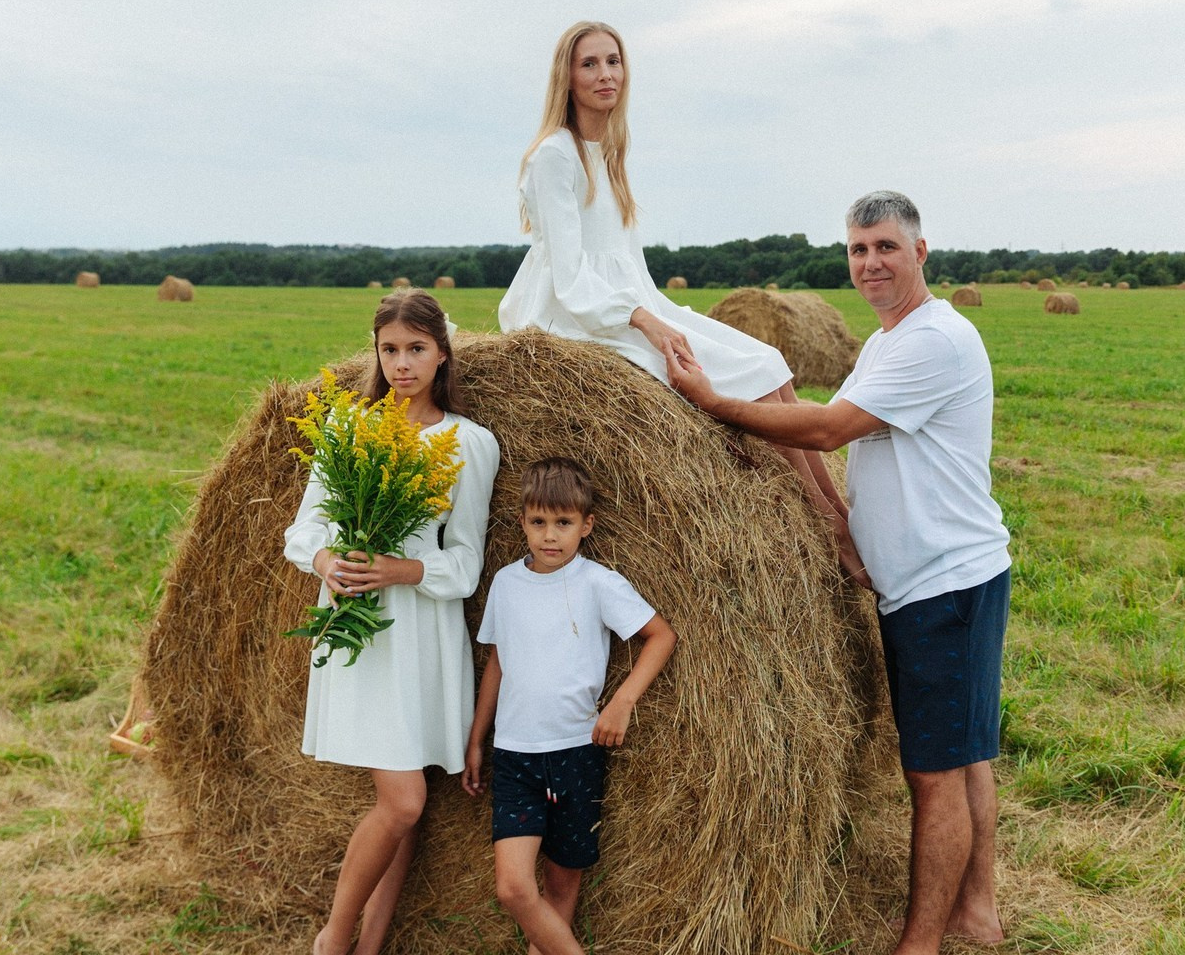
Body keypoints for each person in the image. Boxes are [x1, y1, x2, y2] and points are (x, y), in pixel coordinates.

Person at [665, 190, 1010, 955]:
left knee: (936, 774)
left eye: (885, 247)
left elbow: (825, 427)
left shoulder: (933, 341)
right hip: (939, 579)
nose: (870, 263)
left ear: (921, 252)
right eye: (858, 250)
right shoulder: (890, 340)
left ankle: (919, 943)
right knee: (964, 752)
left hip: (943, 587)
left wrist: (714, 402)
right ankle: (976, 910)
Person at [499, 20, 862, 579]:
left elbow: (625, 265)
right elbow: (571, 279)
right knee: (731, 374)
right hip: (572, 316)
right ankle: (828, 522)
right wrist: (644, 320)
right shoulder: (555, 156)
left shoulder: (609, 152)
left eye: (613, 61)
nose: (605, 75)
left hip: (629, 302)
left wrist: (659, 311)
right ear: (566, 77)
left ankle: (835, 513)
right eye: (589, 64)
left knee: (767, 363)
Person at [284, 290, 501, 955]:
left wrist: (401, 570)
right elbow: (303, 531)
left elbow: (464, 565)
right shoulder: (348, 429)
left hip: (421, 634)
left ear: (441, 353)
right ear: (376, 353)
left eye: (416, 349)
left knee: (407, 804)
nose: (402, 363)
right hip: (360, 634)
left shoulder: (470, 442)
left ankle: (361, 944)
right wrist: (327, 560)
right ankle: (334, 937)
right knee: (403, 802)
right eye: (390, 349)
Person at [461, 457, 677, 955]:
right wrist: (477, 739)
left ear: (586, 526)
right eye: (539, 522)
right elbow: (498, 662)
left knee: (561, 889)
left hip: (576, 753)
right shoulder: (506, 584)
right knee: (513, 888)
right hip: (514, 757)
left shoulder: (597, 583)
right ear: (522, 523)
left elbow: (660, 636)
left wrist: (622, 702)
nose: (550, 536)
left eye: (563, 523)